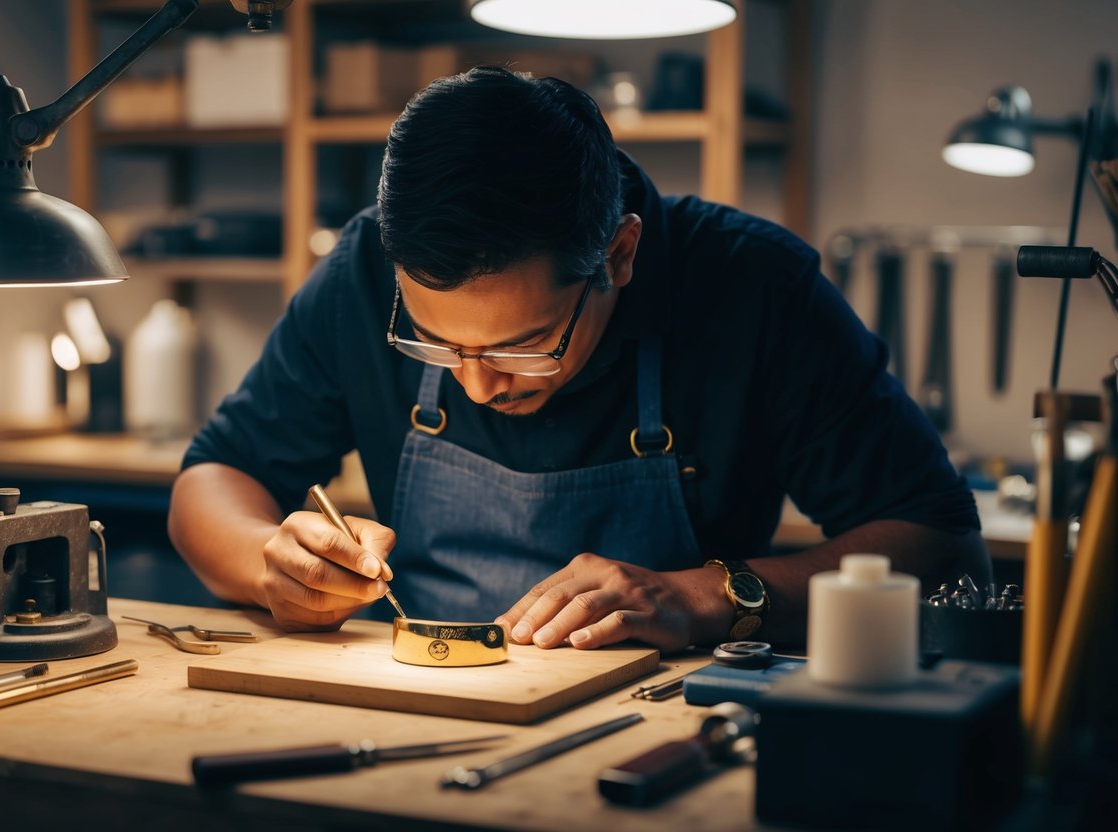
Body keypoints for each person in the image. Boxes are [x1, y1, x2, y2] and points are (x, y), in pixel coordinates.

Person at [168, 66, 988, 653]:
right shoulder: (360, 270)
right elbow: (213, 477)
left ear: (620, 255)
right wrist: (267, 564)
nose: (479, 385)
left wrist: (703, 595)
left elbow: (942, 546)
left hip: (665, 731)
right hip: (417, 708)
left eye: (524, 347)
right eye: (436, 343)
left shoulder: (751, 285)